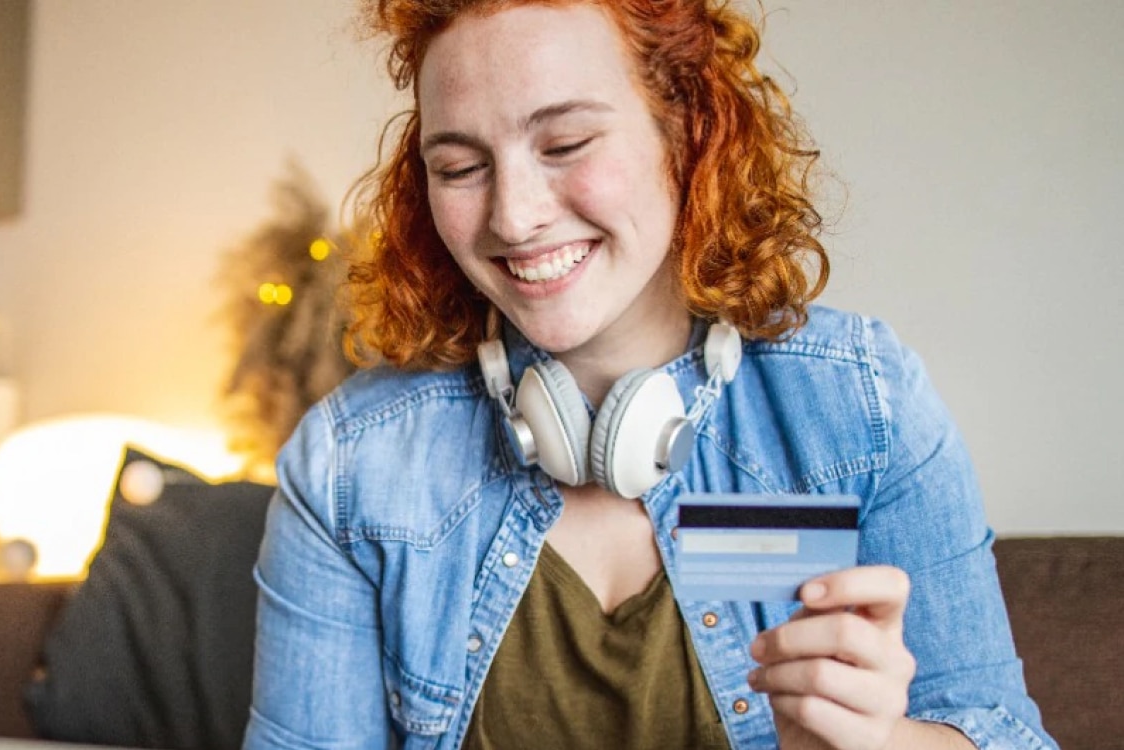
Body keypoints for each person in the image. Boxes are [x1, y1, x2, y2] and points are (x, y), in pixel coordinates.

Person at [244, 1, 1057, 748]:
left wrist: (882, 744)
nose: (514, 216)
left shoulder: (860, 408)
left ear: (688, 129)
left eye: (565, 145)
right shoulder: (354, 466)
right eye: (460, 167)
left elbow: (1003, 730)